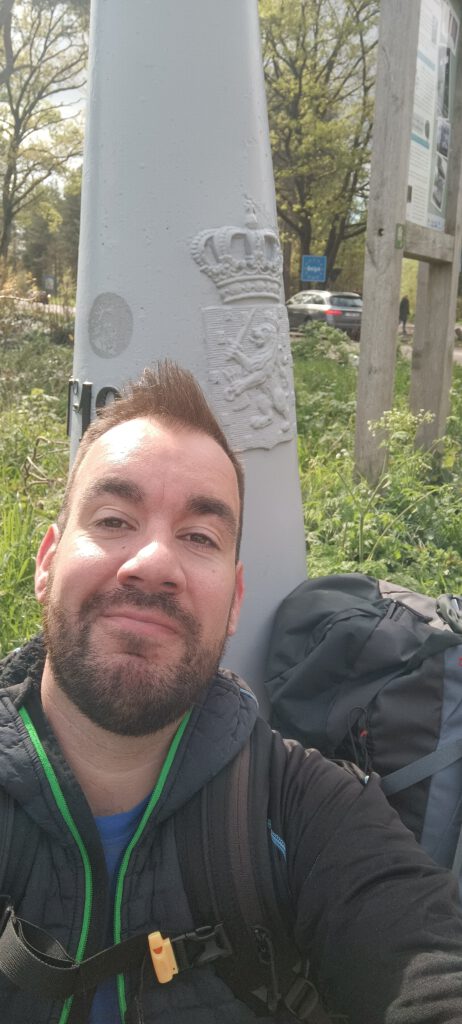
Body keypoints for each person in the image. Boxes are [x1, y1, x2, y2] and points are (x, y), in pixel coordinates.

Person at [1, 361, 462, 1024]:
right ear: (46, 563)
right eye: (113, 519)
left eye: (199, 537)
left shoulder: (305, 809)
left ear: (235, 601)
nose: (154, 562)